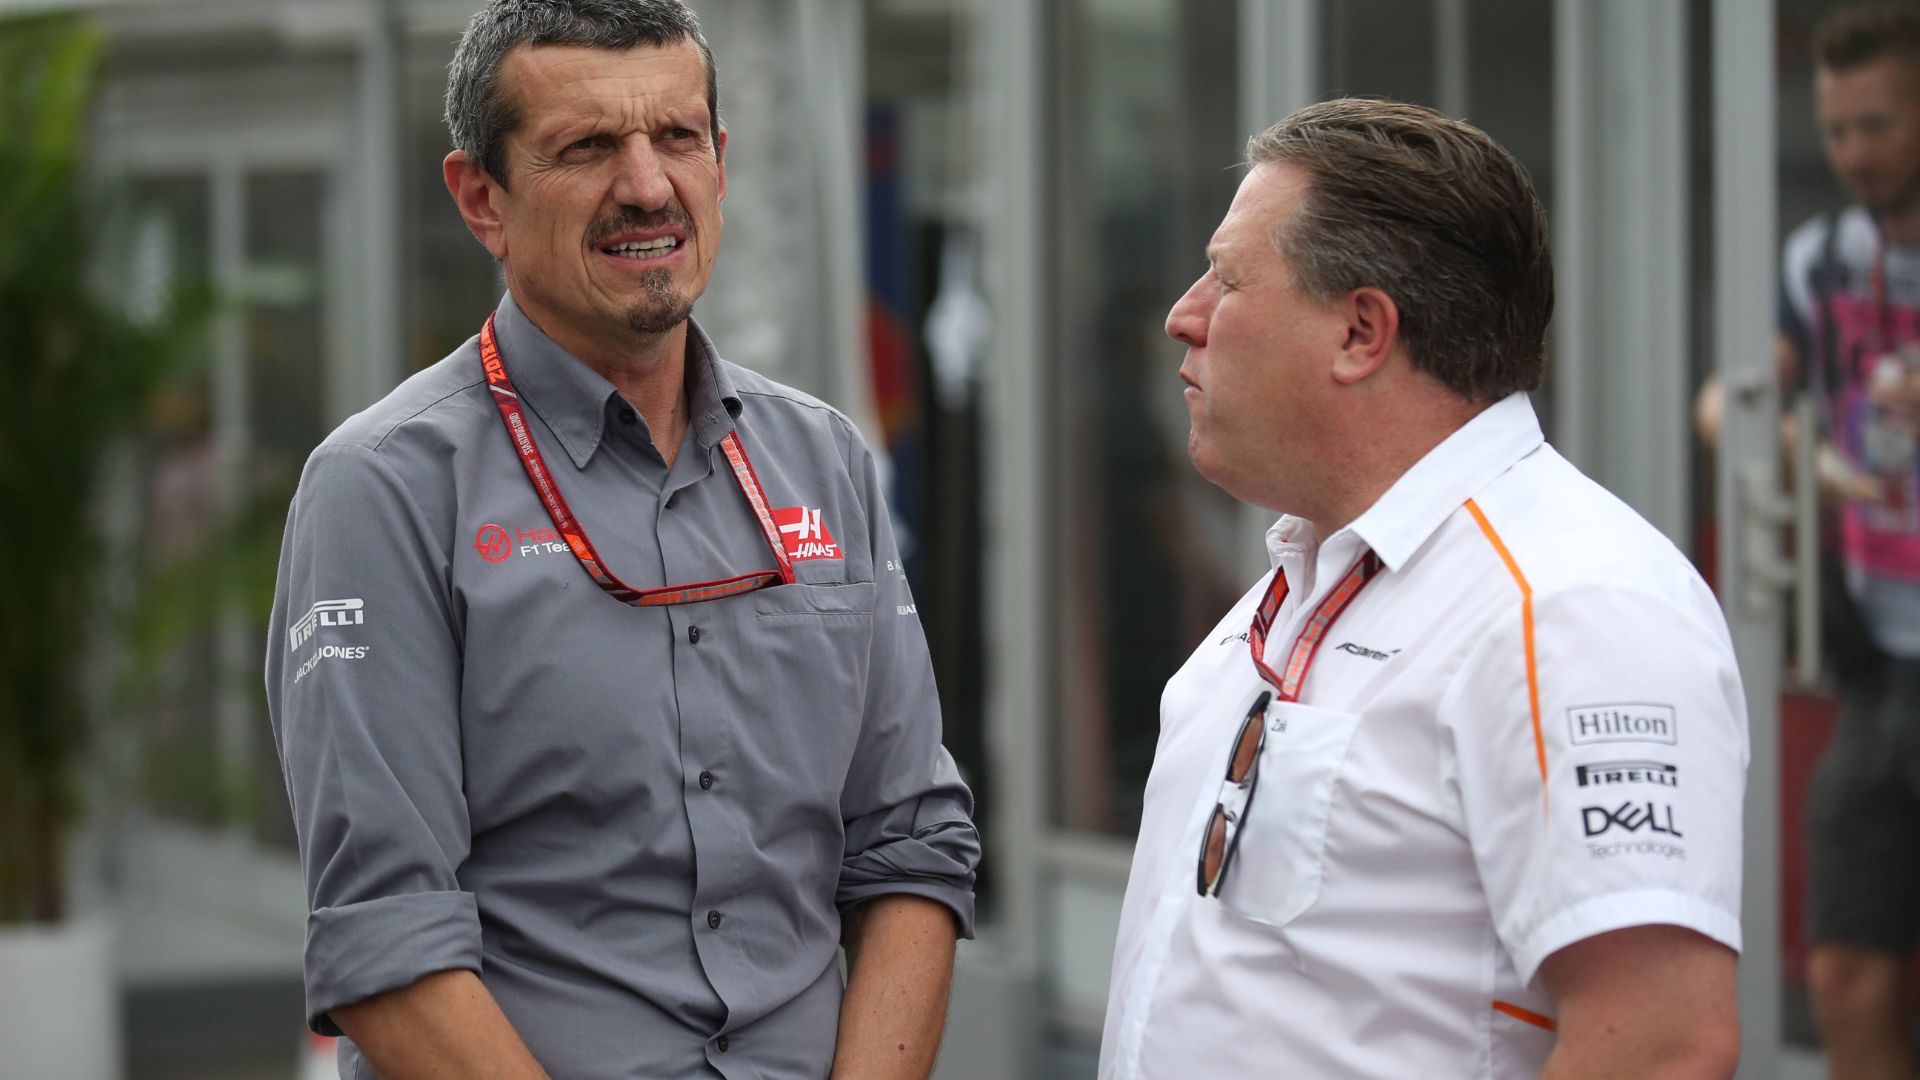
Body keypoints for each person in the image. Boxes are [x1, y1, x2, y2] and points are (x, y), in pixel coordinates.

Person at [264, 3, 979, 1078]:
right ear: (480, 200)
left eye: (678, 138)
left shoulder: (823, 461)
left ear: (721, 164)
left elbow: (912, 848)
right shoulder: (385, 489)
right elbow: (387, 936)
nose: (648, 186)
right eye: (587, 147)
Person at [1098, 98, 1747, 1078]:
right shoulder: (1320, 572)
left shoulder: (1566, 605)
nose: (1182, 315)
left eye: (1228, 279)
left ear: (1362, 332)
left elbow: (1662, 1045)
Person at [1778, 7, 1920, 1074]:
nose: (1854, 154)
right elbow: (1732, 402)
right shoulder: (1822, 258)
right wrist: (1787, 448)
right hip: (1878, 660)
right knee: (1844, 970)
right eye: (1839, 130)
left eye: (1878, 125)